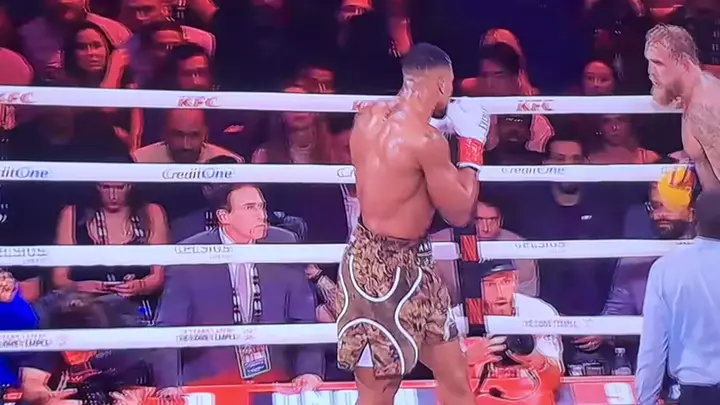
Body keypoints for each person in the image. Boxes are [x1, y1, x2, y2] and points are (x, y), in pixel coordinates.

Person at [333, 43, 489, 405]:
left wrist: (439, 124)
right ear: (441, 85)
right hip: (381, 273)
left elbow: (399, 166)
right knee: (379, 391)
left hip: (406, 264)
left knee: (455, 374)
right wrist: (472, 146)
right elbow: (459, 213)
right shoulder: (426, 142)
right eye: (450, 86)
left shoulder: (368, 117)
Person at [636, 189, 720, 405]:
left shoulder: (667, 268)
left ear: (694, 217)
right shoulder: (666, 268)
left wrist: (646, 399)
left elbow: (653, 346)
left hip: (696, 392)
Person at [645, 24, 720, 194]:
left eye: (658, 63)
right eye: (649, 62)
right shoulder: (694, 95)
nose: (650, 72)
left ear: (685, 65)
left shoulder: (704, 109)